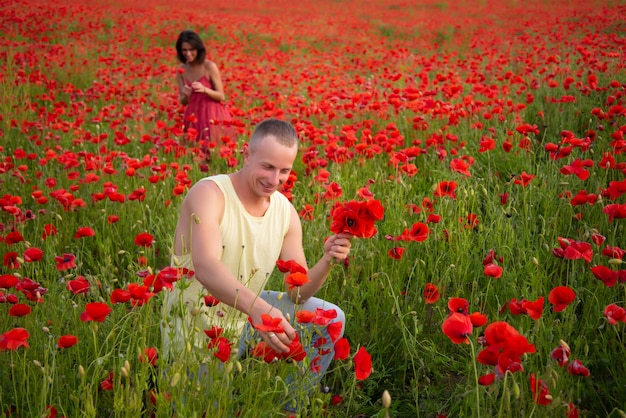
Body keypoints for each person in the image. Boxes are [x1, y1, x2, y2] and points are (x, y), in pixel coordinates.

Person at [161, 118, 352, 412]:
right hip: (196, 325)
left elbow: (297, 292)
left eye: (284, 170)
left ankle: (289, 407)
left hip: (249, 316)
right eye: (267, 166)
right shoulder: (210, 194)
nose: (275, 179)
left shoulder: (285, 213)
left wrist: (327, 260)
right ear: (245, 155)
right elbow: (206, 265)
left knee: (331, 317)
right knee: (206, 409)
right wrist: (261, 311)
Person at [175, 29, 234, 160]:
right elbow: (183, 102)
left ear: (198, 49)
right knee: (196, 157)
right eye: (184, 50)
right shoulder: (181, 71)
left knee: (215, 155)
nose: (188, 54)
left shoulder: (209, 67)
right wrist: (185, 95)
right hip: (193, 117)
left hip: (212, 116)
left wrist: (205, 89)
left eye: (191, 50)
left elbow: (221, 96)